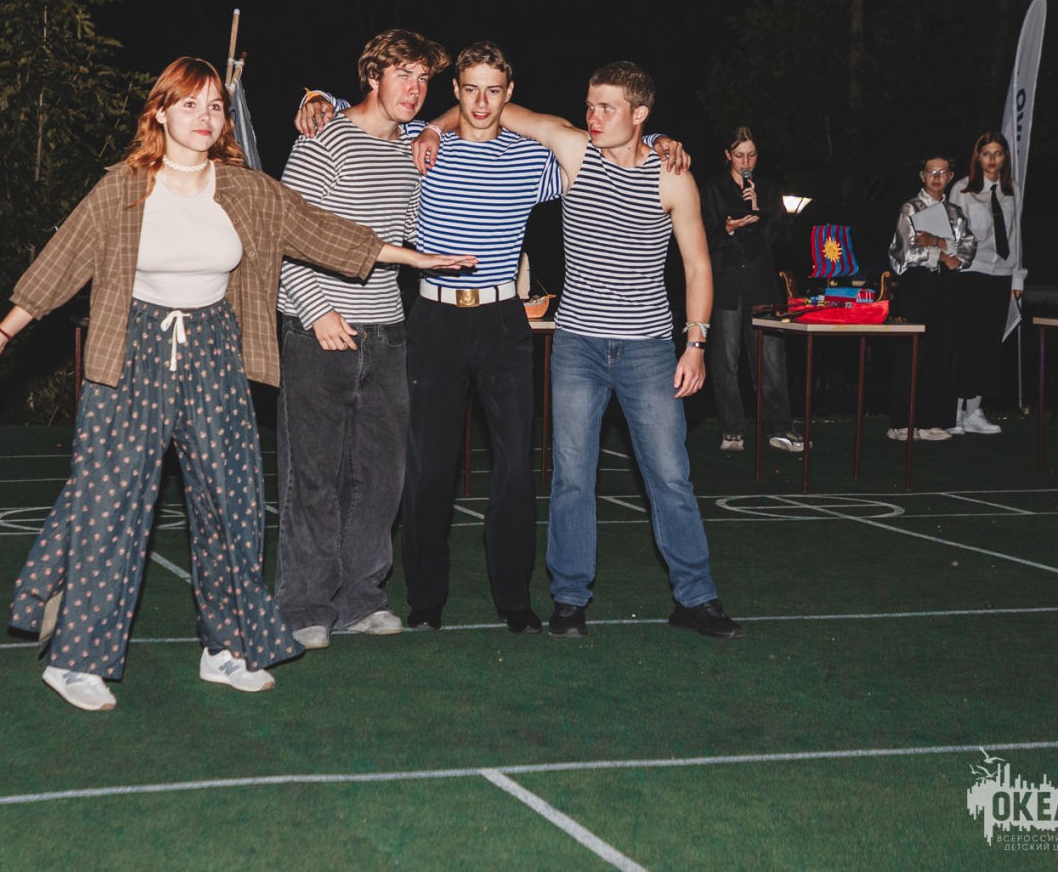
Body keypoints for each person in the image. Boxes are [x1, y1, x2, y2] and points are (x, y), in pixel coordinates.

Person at [0, 57, 475, 712]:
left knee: (233, 504)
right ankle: (77, 661)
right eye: (190, 104)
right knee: (111, 504)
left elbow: (321, 232)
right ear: (161, 112)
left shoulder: (245, 190)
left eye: (215, 106)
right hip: (133, 349)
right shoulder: (122, 188)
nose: (205, 117)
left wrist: (415, 257)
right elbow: (60, 265)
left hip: (216, 350)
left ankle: (226, 648)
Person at [303, 42, 686, 635]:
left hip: (504, 322)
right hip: (433, 321)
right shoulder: (419, 145)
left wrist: (659, 138)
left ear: (509, 95)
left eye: (493, 90)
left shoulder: (537, 160)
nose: (481, 102)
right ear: (455, 91)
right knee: (428, 467)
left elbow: (611, 148)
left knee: (513, 468)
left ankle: (514, 600)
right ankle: (425, 600)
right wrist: (319, 99)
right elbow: (367, 118)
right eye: (470, 89)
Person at [449, 61, 740, 640]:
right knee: (572, 478)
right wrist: (434, 129)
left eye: (607, 107)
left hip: (649, 349)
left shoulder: (671, 178)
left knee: (670, 476)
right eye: (590, 105)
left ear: (640, 113)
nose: (593, 116)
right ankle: (569, 600)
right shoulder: (575, 152)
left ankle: (696, 598)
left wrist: (696, 342)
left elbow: (698, 266)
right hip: (577, 345)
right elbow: (497, 107)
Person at [274, 28, 450, 651]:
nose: (415, 88)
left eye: (423, 78)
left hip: (387, 330)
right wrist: (316, 308)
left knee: (380, 477)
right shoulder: (324, 137)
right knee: (313, 476)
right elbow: (284, 231)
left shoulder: (411, 148)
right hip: (318, 327)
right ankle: (303, 607)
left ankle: (360, 599)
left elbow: (404, 234)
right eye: (403, 73)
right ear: (373, 75)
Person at [699, 127, 802, 454]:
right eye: (739, 155)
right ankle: (732, 431)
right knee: (726, 361)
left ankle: (779, 428)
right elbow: (702, 238)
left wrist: (760, 211)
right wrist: (728, 229)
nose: (746, 162)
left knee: (770, 360)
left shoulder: (769, 190)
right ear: (728, 155)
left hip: (762, 287)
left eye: (752, 155)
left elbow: (782, 239)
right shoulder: (712, 190)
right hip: (727, 284)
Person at [885, 154, 975, 441]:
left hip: (946, 285)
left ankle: (933, 421)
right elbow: (906, 252)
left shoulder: (955, 213)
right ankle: (902, 422)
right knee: (913, 351)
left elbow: (967, 248)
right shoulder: (910, 208)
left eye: (943, 172)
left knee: (942, 350)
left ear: (950, 177)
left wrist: (938, 244)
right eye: (931, 172)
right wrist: (943, 253)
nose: (937, 177)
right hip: (917, 284)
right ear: (922, 176)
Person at [945, 133, 1025, 435]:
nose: (992, 159)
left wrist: (1017, 276)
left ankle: (974, 411)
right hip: (971, 271)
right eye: (987, 153)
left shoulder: (1011, 189)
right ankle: (954, 411)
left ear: (1005, 157)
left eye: (998, 153)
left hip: (1001, 272)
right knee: (967, 341)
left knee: (990, 343)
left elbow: (1016, 234)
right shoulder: (962, 189)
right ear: (978, 157)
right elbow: (952, 234)